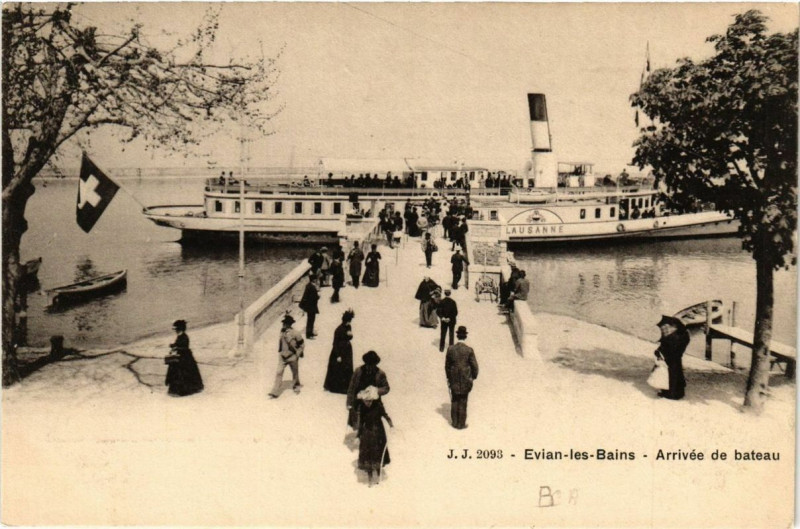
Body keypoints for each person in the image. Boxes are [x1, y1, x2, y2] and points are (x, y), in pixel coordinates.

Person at [347, 351, 392, 486]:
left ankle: (376, 465)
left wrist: (377, 391)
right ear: (365, 363)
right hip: (360, 405)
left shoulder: (380, 373)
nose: (370, 367)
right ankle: (367, 465)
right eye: (368, 364)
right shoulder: (358, 371)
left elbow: (387, 388)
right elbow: (351, 388)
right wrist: (350, 403)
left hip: (375, 406)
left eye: (373, 365)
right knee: (362, 432)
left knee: (377, 439)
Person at [445, 326, 479, 429]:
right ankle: (461, 423)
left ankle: (454, 422)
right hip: (465, 379)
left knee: (454, 399)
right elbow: (475, 366)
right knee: (463, 400)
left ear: (457, 336)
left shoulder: (450, 349)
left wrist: (448, 377)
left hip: (454, 378)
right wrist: (473, 377)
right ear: (465, 337)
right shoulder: (469, 350)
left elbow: (447, 366)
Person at [164, 320, 204, 397]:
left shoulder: (184, 336)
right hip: (182, 356)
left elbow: (185, 347)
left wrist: (176, 347)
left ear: (179, 329)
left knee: (183, 373)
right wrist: (174, 345)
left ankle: (183, 391)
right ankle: (178, 390)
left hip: (185, 357)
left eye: (176, 329)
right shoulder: (180, 336)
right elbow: (179, 345)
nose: (175, 331)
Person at [269, 314, 305, 398]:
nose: (283, 325)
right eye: (283, 323)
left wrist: (297, 354)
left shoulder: (295, 333)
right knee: (279, 372)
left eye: (285, 323)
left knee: (295, 373)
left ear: (289, 324)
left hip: (292, 356)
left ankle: (296, 386)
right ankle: (274, 391)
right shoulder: (282, 331)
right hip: (282, 357)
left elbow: (302, 345)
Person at [654, 315, 690, 400]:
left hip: (671, 357)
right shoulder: (681, 332)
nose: (663, 329)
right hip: (676, 356)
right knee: (677, 372)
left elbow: (667, 347)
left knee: (671, 374)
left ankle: (671, 394)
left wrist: (659, 351)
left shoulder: (672, 336)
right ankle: (678, 392)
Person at [323, 309, 355, 394]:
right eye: (348, 321)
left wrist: (350, 336)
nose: (349, 323)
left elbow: (350, 337)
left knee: (347, 368)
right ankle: (336, 388)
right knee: (337, 370)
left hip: (347, 351)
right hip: (339, 351)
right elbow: (335, 343)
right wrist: (338, 356)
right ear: (345, 321)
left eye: (350, 321)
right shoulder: (338, 330)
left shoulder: (348, 327)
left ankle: (347, 387)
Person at [298, 272, 320, 339]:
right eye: (315, 279)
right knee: (310, 320)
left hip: (310, 306)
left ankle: (311, 332)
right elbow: (312, 297)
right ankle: (309, 335)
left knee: (311, 320)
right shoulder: (311, 287)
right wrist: (318, 296)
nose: (316, 280)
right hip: (311, 307)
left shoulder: (309, 285)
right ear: (313, 280)